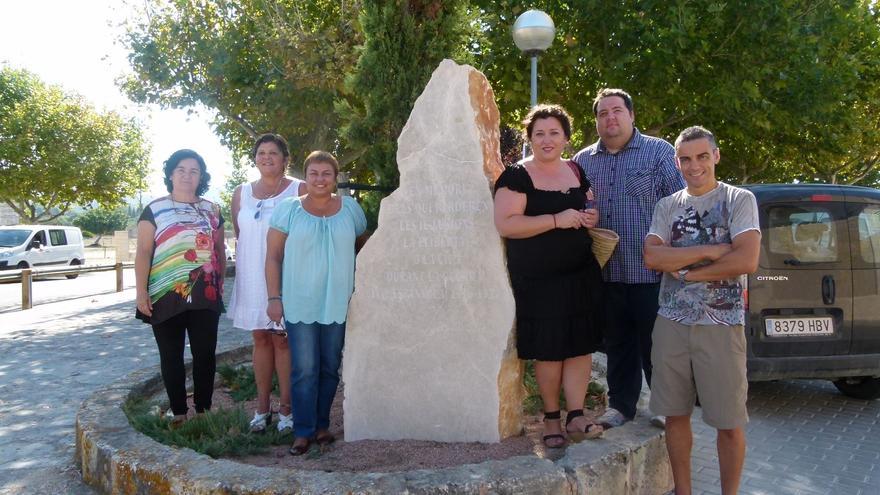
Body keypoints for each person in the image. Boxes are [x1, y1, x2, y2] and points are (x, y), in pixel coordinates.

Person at [644, 126, 760, 494]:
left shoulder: (739, 200)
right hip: (671, 325)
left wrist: (686, 271)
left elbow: (747, 259)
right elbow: (651, 256)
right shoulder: (667, 206)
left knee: (728, 422)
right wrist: (712, 250)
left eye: (701, 156)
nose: (694, 166)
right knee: (675, 416)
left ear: (716, 156)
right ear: (677, 162)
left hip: (721, 326)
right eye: (685, 159)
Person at [572, 88, 685, 429]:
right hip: (607, 273)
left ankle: (665, 406)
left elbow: (678, 206)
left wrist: (677, 260)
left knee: (658, 346)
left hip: (651, 272)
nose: (611, 118)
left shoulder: (658, 152)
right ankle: (621, 405)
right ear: (596, 121)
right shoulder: (582, 162)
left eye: (617, 110)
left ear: (631, 115)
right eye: (603, 113)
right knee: (618, 344)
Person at [494, 104, 605, 448]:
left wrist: (589, 217)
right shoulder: (515, 176)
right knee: (550, 351)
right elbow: (506, 224)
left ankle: (576, 414)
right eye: (539, 133)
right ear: (529, 138)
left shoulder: (576, 171)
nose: (546, 139)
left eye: (554, 133)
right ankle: (552, 418)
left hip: (580, 275)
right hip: (539, 281)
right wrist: (558, 219)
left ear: (566, 139)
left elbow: (590, 205)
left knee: (579, 347)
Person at [265, 151, 366, 455]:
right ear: (305, 176)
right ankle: (303, 430)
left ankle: (322, 425)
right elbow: (273, 257)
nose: (320, 179)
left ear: (335, 177)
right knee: (305, 368)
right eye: (313, 173)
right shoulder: (289, 210)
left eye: (326, 173)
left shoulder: (351, 209)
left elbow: (364, 248)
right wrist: (274, 297)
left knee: (329, 368)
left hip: (338, 301)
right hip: (300, 301)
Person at [135, 149, 226, 426]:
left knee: (204, 354)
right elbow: (143, 252)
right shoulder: (154, 209)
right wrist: (141, 292)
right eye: (181, 169)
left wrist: (219, 283)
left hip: (205, 294)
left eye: (194, 170)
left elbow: (219, 251)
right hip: (164, 294)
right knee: (171, 356)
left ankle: (203, 411)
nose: (187, 175)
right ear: (171, 174)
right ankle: (178, 413)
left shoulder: (212, 210)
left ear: (202, 176)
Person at [227, 134, 306, 434]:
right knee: (260, 338)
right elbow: (239, 231)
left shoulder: (300, 189)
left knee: (282, 340)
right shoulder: (241, 193)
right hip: (251, 276)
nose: (267, 157)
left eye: (274, 152)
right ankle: (262, 408)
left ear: (286, 159)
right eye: (261, 152)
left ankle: (287, 409)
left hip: (286, 276)